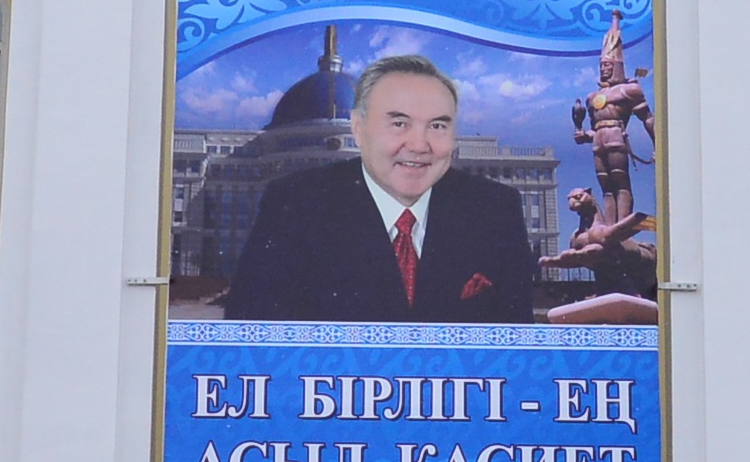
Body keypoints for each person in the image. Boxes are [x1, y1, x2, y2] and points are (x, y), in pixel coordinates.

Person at [220, 54, 548, 323]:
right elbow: (249, 337)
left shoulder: (495, 209)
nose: (418, 145)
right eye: (399, 124)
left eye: (437, 125)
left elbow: (516, 343)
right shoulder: (294, 204)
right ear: (359, 129)